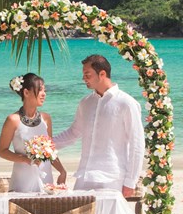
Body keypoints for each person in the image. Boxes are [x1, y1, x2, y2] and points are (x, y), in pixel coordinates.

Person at [53, 54, 144, 195]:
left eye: (87, 74)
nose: (83, 78)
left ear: (102, 74)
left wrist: (130, 181)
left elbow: (137, 144)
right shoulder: (85, 102)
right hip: (84, 177)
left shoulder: (126, 103)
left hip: (111, 178)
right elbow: (73, 133)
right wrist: (45, 145)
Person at [0, 73, 68, 193]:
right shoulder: (13, 120)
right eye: (40, 90)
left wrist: (62, 171)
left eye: (44, 90)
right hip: (22, 180)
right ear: (26, 92)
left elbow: (50, 151)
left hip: (46, 179)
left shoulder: (46, 119)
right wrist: (26, 159)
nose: (44, 94)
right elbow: (2, 151)